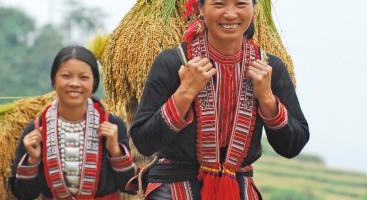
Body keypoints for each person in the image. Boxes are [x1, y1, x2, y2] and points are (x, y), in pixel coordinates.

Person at [129, 0, 309, 199]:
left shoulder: (268, 68)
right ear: (200, 9)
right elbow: (144, 141)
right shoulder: (173, 62)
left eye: (241, 4)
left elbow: (293, 145)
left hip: (239, 189)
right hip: (174, 188)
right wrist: (185, 92)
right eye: (219, 4)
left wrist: (267, 99)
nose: (230, 14)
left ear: (254, 10)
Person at [9, 46, 136, 199]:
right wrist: (32, 160)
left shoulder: (113, 126)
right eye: (66, 76)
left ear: (94, 82)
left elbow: (130, 187)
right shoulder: (36, 130)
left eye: (83, 77)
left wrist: (115, 151)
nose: (74, 83)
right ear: (53, 79)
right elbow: (23, 194)